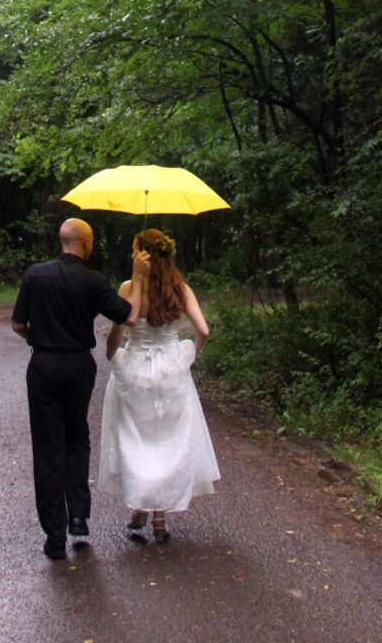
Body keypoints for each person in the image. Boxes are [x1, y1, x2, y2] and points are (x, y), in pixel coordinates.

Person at [12, 217, 149, 560]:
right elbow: (129, 316)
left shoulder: (34, 275)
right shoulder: (93, 281)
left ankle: (55, 536)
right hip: (78, 365)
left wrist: (40, 339)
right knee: (77, 437)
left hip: (42, 364)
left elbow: (17, 324)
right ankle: (78, 518)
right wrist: (139, 275)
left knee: (47, 446)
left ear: (63, 241)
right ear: (86, 242)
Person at [97, 228, 220, 542]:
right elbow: (202, 330)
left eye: (135, 249)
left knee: (135, 440)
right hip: (170, 370)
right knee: (166, 441)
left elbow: (128, 322)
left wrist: (112, 356)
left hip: (135, 368)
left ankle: (140, 506)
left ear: (142, 254)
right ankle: (159, 518)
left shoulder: (128, 286)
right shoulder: (181, 288)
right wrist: (186, 356)